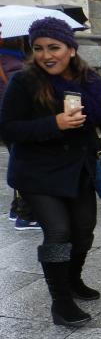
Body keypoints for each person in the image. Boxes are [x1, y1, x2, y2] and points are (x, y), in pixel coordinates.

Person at [0, 17, 101, 326]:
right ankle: (60, 302)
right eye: (39, 48)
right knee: (59, 232)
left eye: (54, 47)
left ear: (71, 49)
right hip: (37, 173)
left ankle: (73, 279)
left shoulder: (88, 80)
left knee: (83, 231)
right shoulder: (25, 81)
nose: (47, 55)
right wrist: (53, 123)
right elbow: (7, 128)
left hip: (78, 169)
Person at [0, 35, 40, 231]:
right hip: (17, 123)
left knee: (19, 161)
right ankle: (26, 216)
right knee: (26, 165)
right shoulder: (15, 63)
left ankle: (16, 209)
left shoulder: (5, 60)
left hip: (7, 123)